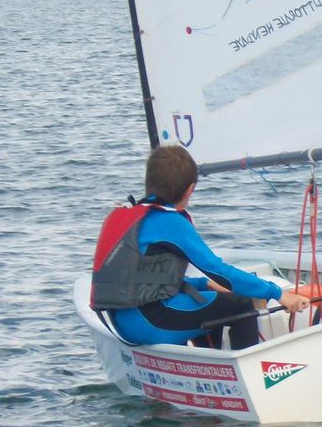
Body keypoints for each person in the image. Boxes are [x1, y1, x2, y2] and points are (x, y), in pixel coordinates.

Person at [91, 145, 309, 348]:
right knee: (240, 303)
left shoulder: (127, 216)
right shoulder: (169, 221)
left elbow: (142, 279)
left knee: (205, 299)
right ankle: (244, 372)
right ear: (189, 190)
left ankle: (208, 365)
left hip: (122, 323)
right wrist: (277, 293)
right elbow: (219, 271)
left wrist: (203, 283)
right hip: (151, 324)